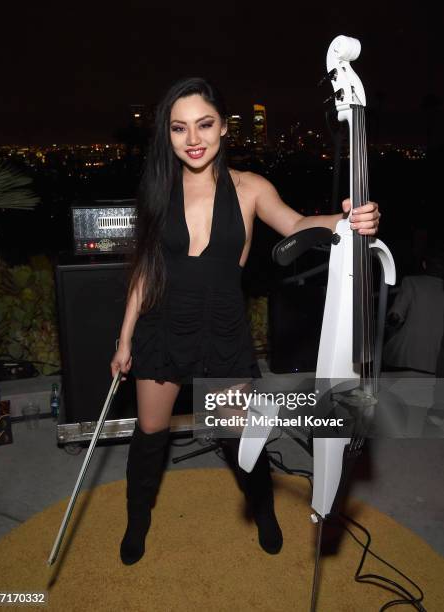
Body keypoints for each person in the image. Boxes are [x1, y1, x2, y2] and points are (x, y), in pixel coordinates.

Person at [110, 77, 380, 566]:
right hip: (162, 326)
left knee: (240, 436)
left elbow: (297, 225)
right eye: (179, 128)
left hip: (222, 330)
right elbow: (145, 271)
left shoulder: (250, 187)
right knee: (149, 435)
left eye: (204, 124)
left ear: (223, 127)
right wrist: (124, 338)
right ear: (166, 135)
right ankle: (136, 520)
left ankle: (263, 510)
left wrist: (347, 221)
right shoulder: (157, 190)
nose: (193, 139)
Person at [383, 246, 444, 374]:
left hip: (406, 357)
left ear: (424, 264)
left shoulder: (412, 282)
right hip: (436, 365)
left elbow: (396, 316)